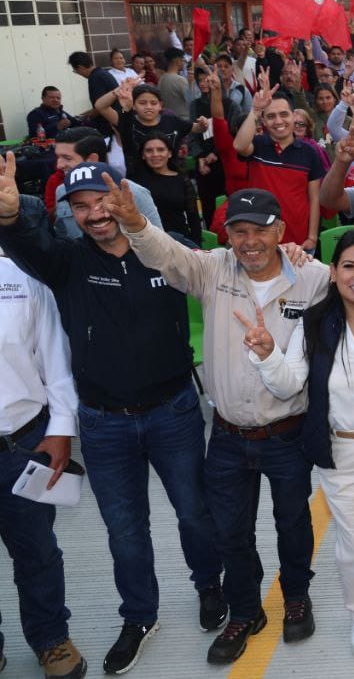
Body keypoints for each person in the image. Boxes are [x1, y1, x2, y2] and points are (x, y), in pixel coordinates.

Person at [0, 158, 226, 674]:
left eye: (103, 201)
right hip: (104, 424)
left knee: (194, 513)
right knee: (125, 531)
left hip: (174, 413)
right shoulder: (66, 262)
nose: (95, 214)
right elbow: (28, 245)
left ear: (126, 199)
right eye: (81, 207)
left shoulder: (167, 252)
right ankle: (140, 616)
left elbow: (233, 266)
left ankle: (209, 585)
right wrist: (10, 216)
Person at [111, 187, 330, 664]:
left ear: (281, 231)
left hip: (287, 434)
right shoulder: (212, 268)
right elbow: (164, 254)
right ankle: (246, 611)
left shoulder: (313, 277)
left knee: (294, 523)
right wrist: (135, 223)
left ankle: (296, 595)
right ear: (227, 235)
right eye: (238, 232)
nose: (249, 242)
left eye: (259, 231)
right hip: (228, 436)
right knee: (230, 532)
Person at [243, 229, 354, 660]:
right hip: (342, 454)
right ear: (333, 272)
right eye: (348, 265)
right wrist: (267, 354)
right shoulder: (313, 324)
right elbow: (289, 384)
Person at [0, 191, 88, 679]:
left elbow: (56, 360)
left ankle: (51, 639)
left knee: (36, 551)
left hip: (22, 443)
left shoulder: (22, 279)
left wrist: (60, 431)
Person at [233, 73, 324, 252]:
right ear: (264, 121)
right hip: (261, 240)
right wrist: (255, 110)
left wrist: (312, 237)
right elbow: (239, 145)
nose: (278, 121)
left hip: (298, 243)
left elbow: (314, 198)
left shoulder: (310, 152)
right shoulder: (258, 145)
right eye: (271, 116)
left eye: (284, 114)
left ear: (293, 116)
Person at [50, 128, 162, 242]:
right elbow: (62, 237)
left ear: (92, 160)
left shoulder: (134, 193)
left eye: (67, 158)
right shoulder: (62, 191)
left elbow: (158, 243)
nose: (59, 165)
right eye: (80, 206)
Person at [129, 133, 202, 246]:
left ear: (170, 153)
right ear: (143, 155)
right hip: (148, 243)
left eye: (161, 149)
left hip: (180, 242)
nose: (155, 154)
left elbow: (193, 217)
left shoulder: (182, 180)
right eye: (149, 151)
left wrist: (197, 247)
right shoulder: (135, 183)